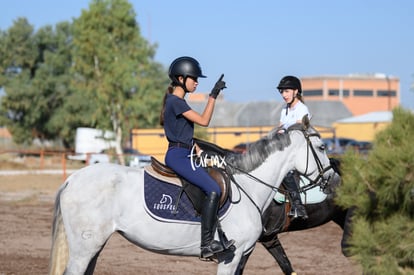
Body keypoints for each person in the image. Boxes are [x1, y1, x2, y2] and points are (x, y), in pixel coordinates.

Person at [159, 56, 234, 259]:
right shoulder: (176, 102)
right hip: (178, 156)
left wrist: (198, 149)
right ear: (181, 78)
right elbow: (204, 120)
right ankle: (206, 245)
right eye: (194, 78)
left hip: (185, 152)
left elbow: (182, 133)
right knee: (213, 189)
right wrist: (213, 95)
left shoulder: (176, 101)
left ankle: (218, 235)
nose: (197, 82)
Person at [277, 75, 311, 220]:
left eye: (287, 91)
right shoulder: (284, 110)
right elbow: (279, 130)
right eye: (282, 92)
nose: (284, 95)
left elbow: (297, 133)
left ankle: (298, 206)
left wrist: (282, 133)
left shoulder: (302, 109)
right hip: (286, 148)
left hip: (299, 150)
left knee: (285, 171)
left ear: (296, 91)